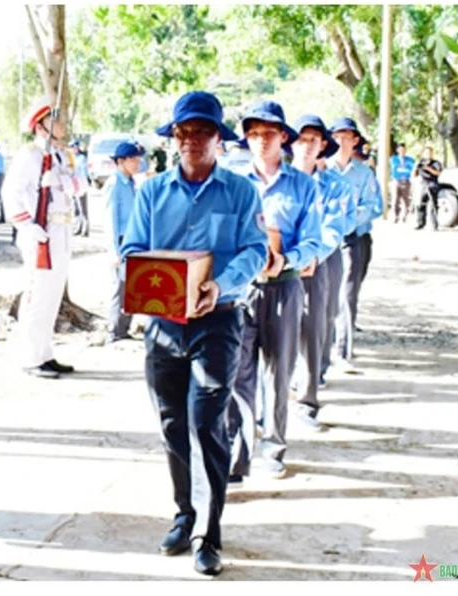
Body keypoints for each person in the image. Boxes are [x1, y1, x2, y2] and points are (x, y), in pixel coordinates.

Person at [121, 91, 267, 576]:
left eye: (201, 133)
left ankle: (210, 531)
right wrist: (148, 282)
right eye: (183, 134)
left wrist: (218, 283)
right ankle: (184, 514)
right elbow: (133, 249)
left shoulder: (241, 192)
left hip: (219, 320)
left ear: (218, 140)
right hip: (164, 325)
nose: (190, 142)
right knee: (171, 423)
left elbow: (252, 252)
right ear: (173, 139)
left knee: (207, 423)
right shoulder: (151, 193)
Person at [227, 100, 321, 482]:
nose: (261, 141)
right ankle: (238, 453)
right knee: (238, 372)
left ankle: (274, 447)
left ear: (284, 137)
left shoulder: (302, 186)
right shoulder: (233, 183)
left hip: (284, 287)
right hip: (242, 289)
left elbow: (313, 240)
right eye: (253, 134)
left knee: (278, 372)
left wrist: (288, 259)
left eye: (268, 133)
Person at [2, 98, 87, 379]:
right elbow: (11, 194)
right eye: (55, 119)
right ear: (41, 125)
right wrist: (27, 226)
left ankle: (44, 352)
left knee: (51, 295)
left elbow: (80, 185)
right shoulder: (30, 156)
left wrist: (60, 182)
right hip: (40, 232)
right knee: (36, 293)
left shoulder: (62, 155)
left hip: (61, 230)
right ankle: (30, 356)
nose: (62, 123)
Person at [289, 115, 349, 430]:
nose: (306, 146)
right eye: (300, 139)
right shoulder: (280, 179)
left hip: (316, 266)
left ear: (323, 145)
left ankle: (307, 400)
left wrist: (311, 256)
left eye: (313, 140)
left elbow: (333, 229)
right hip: (279, 270)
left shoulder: (333, 185)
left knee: (313, 331)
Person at [327, 117, 383, 368]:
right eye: (336, 136)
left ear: (355, 140)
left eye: (346, 137)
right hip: (323, 240)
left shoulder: (364, 173)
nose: (340, 141)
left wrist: (345, 222)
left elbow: (373, 206)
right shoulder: (322, 170)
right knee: (321, 294)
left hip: (353, 237)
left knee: (347, 293)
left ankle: (342, 351)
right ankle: (321, 348)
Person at [102, 141, 144, 343]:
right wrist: (113, 250)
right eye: (134, 159)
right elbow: (110, 219)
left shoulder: (131, 183)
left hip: (132, 241)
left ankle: (124, 328)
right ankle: (114, 330)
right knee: (118, 287)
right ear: (121, 161)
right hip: (120, 241)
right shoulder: (115, 184)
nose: (138, 163)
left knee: (131, 286)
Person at [413, 146, 442, 231]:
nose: (428, 154)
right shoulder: (420, 163)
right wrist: (415, 167)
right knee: (420, 205)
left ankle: (434, 224)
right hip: (422, 185)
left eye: (430, 153)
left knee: (432, 205)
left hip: (432, 185)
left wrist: (428, 168)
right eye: (426, 153)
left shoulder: (436, 163)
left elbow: (438, 173)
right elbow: (415, 175)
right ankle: (420, 223)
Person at [390, 142, 416, 224]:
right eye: (400, 149)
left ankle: (405, 216)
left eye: (404, 149)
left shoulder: (410, 160)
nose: (402, 151)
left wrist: (405, 171)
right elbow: (395, 169)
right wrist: (403, 170)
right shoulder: (393, 159)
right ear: (397, 150)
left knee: (406, 199)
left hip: (406, 180)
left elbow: (411, 169)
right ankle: (395, 215)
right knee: (395, 199)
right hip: (396, 180)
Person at [70, 140, 90, 237]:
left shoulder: (82, 158)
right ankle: (78, 227)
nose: (73, 149)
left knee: (83, 209)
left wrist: (83, 186)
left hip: (81, 186)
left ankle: (85, 229)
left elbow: (84, 173)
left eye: (74, 147)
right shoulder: (71, 158)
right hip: (74, 187)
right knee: (76, 209)